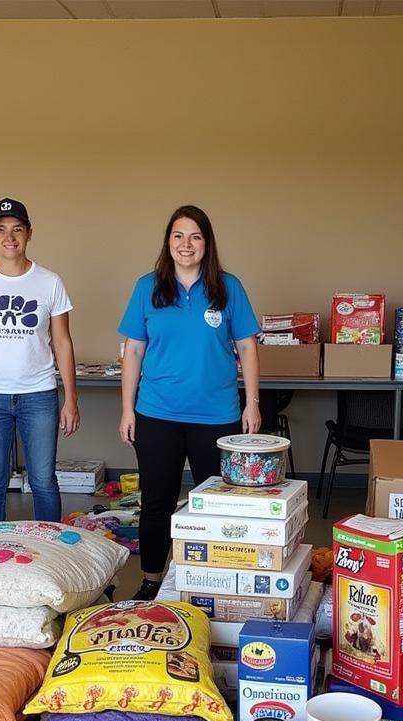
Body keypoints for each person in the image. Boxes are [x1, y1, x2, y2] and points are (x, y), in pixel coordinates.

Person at [118, 204, 261, 601]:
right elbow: (132, 352)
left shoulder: (228, 288)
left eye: (195, 236)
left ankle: (211, 577)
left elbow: (248, 347)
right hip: (157, 413)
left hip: (216, 417)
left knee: (215, 504)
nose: (186, 244)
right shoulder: (147, 287)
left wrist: (252, 404)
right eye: (178, 236)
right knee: (157, 501)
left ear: (207, 243)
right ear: (168, 241)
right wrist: (127, 409)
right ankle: (150, 579)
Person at [0, 198, 80, 524]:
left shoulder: (49, 281)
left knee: (43, 481)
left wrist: (71, 399)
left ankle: (51, 554)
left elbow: (63, 343)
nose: (9, 237)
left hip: (39, 393)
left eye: (17, 229)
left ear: (29, 234)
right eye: (1, 230)